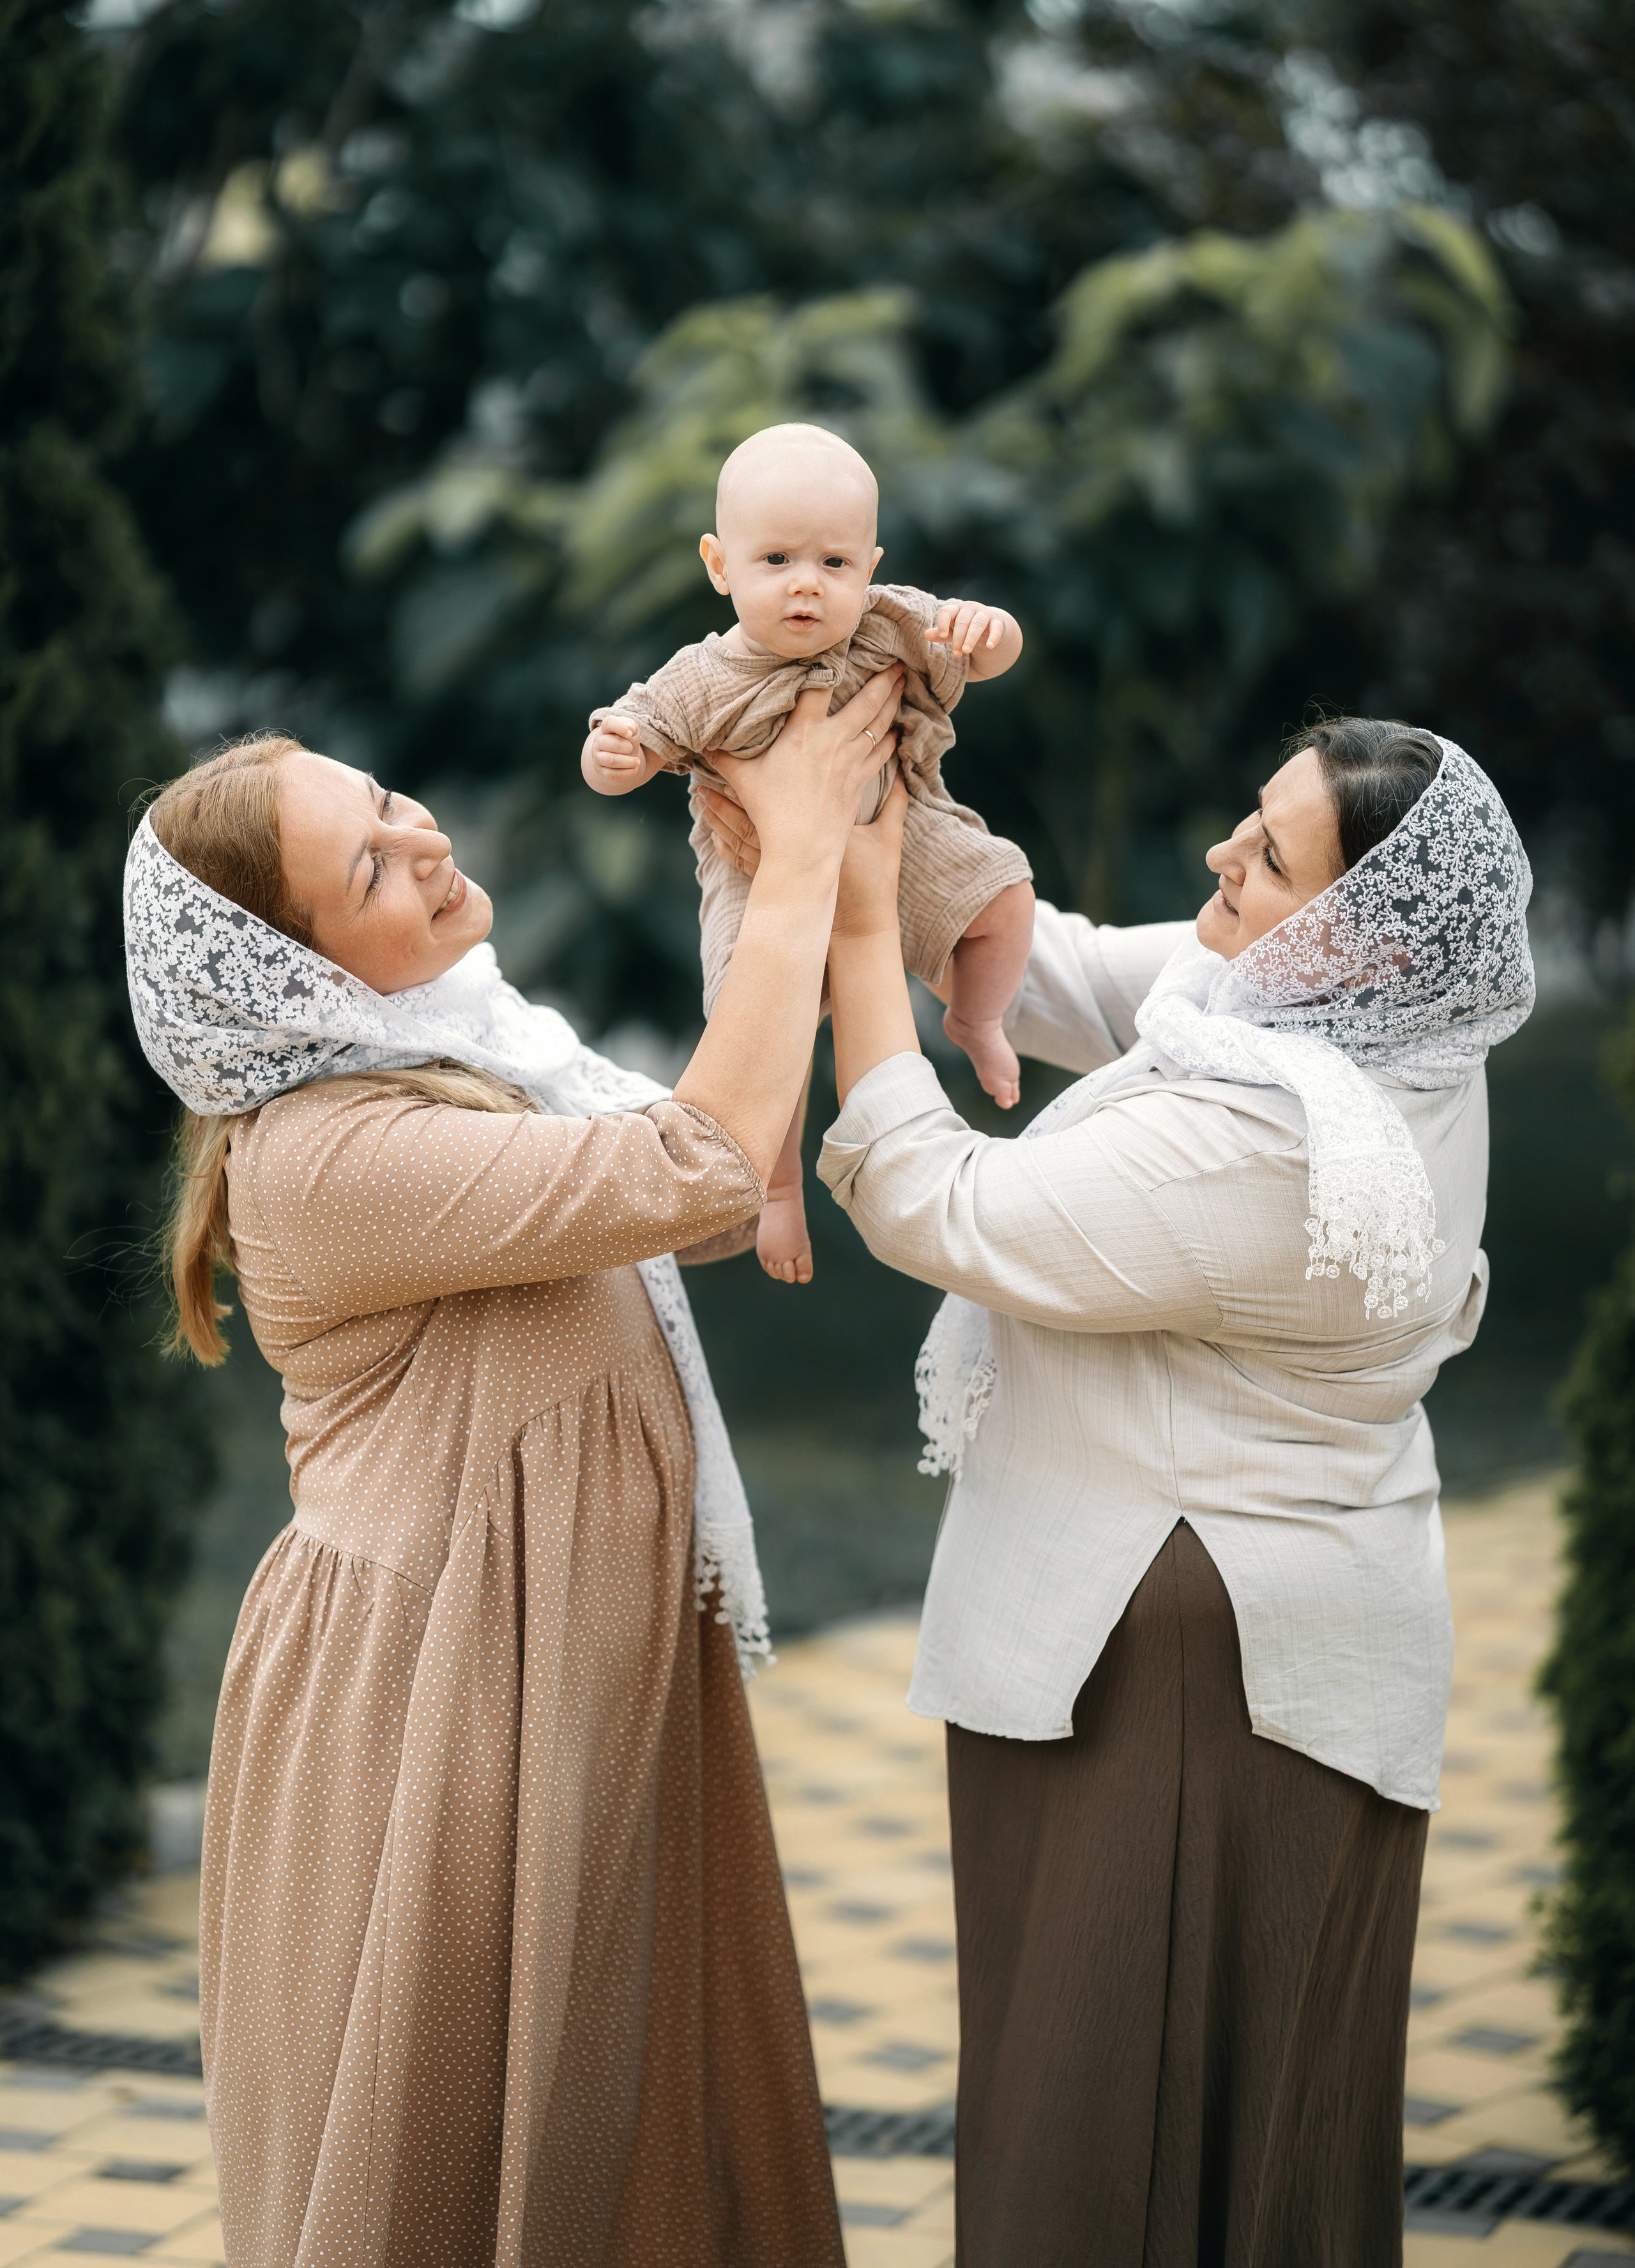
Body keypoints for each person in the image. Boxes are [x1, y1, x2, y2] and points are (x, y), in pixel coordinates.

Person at [703, 715, 1535, 2265]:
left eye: (1269, 857)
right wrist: (869, 750)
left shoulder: (1274, 1144)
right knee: (1218, 2127)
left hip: (1182, 1679)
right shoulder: (1347, 1017)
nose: (1224, 856)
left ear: (1363, 939)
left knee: (1103, 2134)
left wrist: (868, 919)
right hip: (1264, 1645)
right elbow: (1064, 965)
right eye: (1249, 814)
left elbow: (937, 1200)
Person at [123, 665, 902, 2268]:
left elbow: (702, 1150)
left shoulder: (473, 1048)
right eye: (368, 865)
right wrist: (806, 854)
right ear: (298, 973)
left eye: (387, 802)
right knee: (459, 2133)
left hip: (554, 1652)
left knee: (617, 2104)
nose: (420, 839)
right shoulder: (333, 1150)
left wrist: (781, 847)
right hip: (446, 1684)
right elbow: (693, 1168)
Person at [582, 420, 1034, 1284]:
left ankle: (977, 1017)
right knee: (765, 1033)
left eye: (835, 564)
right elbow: (635, 733)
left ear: (870, 564)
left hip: (905, 834)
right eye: (777, 561)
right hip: (760, 874)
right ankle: (779, 1188)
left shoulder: (891, 621)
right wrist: (615, 757)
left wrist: (990, 629)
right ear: (720, 566)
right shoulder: (702, 677)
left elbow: (985, 654)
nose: (807, 587)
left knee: (1007, 895)